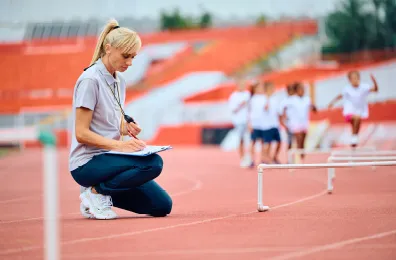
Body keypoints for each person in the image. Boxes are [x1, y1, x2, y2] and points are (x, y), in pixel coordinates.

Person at [69, 19, 172, 220]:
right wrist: (120, 146)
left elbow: (105, 122)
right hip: (86, 164)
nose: (130, 63)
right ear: (108, 48)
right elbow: (81, 133)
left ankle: (98, 193)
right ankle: (95, 194)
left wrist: (125, 128)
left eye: (133, 57)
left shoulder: (119, 81)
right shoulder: (90, 80)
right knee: (152, 164)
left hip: (110, 160)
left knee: (162, 205)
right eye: (126, 56)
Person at [328, 71, 379, 147]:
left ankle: (354, 138)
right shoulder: (347, 89)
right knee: (357, 119)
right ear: (349, 80)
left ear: (359, 78)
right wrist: (332, 102)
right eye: (353, 78)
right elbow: (340, 96)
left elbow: (375, 90)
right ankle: (354, 138)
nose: (355, 80)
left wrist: (374, 81)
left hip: (359, 110)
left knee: (355, 124)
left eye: (356, 78)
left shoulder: (364, 87)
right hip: (349, 111)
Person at [284, 82, 317, 161]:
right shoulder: (292, 99)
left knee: (302, 143)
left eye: (303, 89)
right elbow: (283, 109)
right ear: (296, 90)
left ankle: (301, 159)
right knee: (297, 141)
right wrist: (285, 121)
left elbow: (314, 109)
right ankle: (294, 159)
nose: (302, 90)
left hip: (304, 123)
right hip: (294, 123)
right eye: (300, 89)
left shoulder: (307, 99)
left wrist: (313, 106)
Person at [248, 82, 273, 166]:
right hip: (255, 124)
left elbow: (267, 109)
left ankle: (262, 159)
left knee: (263, 142)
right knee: (253, 141)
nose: (260, 89)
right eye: (258, 88)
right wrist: (249, 123)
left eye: (261, 88)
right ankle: (251, 159)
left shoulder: (265, 97)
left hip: (263, 124)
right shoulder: (252, 99)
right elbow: (249, 112)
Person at [227, 80, 251, 167]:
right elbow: (233, 110)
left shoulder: (248, 94)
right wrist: (241, 104)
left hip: (248, 120)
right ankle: (242, 158)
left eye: (243, 84)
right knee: (241, 139)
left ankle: (249, 157)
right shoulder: (233, 96)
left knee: (250, 139)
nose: (242, 86)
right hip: (239, 121)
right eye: (241, 85)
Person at [263, 81, 282, 164]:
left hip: (275, 124)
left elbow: (278, 112)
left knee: (279, 142)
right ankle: (266, 158)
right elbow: (263, 109)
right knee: (268, 143)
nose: (272, 90)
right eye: (271, 88)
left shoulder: (275, 99)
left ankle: (274, 156)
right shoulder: (263, 99)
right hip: (267, 125)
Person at [280, 84, 296, 152]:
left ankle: (298, 159)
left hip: (297, 124)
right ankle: (289, 158)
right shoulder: (285, 101)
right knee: (290, 141)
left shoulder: (296, 99)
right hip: (289, 124)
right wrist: (283, 123)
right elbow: (282, 113)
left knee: (297, 142)